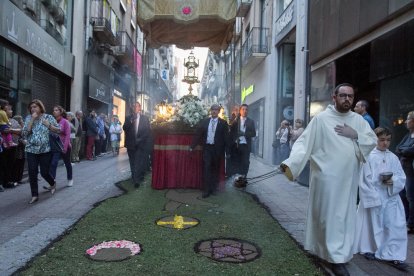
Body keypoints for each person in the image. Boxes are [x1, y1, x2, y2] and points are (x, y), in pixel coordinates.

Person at [280, 83, 377, 275]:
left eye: (350, 96)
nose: (347, 99)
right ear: (334, 97)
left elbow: (372, 141)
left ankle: (338, 257)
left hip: (348, 181)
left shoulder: (358, 121)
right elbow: (304, 143)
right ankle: (323, 252)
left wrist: (355, 134)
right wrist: (291, 163)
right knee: (325, 218)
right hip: (325, 180)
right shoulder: (322, 119)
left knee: (341, 219)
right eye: (343, 95)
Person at [353, 127, 408, 272]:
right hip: (375, 195)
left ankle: (393, 253)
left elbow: (401, 176)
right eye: (381, 140)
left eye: (388, 140)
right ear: (375, 139)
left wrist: (394, 182)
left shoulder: (393, 157)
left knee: (394, 225)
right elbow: (364, 179)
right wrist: (373, 194)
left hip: (391, 197)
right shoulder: (369, 156)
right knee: (373, 225)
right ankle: (369, 248)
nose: (385, 143)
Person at [22, 99, 60, 204]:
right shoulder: (29, 118)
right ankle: (34, 195)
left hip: (45, 150)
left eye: (35, 106)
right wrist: (31, 121)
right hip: (31, 150)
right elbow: (25, 133)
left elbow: (59, 130)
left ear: (40, 107)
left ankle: (52, 183)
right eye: (31, 107)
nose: (33, 108)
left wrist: (49, 125)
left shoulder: (48, 117)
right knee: (32, 173)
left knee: (44, 172)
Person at [190, 104, 229, 198]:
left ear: (219, 111)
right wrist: (192, 146)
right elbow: (198, 134)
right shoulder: (205, 122)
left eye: (216, 110)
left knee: (215, 169)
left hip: (217, 150)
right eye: (213, 110)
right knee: (207, 169)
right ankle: (206, 190)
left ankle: (213, 189)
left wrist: (227, 152)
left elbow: (226, 138)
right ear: (210, 111)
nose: (214, 111)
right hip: (207, 148)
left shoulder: (223, 123)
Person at [123, 102, 151, 187]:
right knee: (132, 162)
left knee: (138, 162)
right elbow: (124, 128)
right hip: (130, 144)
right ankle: (134, 177)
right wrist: (131, 121)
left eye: (137, 106)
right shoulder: (129, 118)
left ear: (140, 108)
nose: (135, 108)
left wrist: (140, 139)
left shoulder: (145, 118)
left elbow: (147, 131)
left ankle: (136, 180)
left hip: (140, 144)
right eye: (134, 106)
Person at [395, 111, 414, 233]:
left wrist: (404, 151)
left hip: (411, 171)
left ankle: (411, 224)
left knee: (411, 197)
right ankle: (406, 220)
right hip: (404, 170)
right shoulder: (408, 135)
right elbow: (398, 147)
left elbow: (410, 151)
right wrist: (405, 150)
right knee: (402, 196)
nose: (406, 122)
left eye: (408, 119)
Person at [48, 106, 73, 188]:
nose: (54, 111)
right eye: (53, 110)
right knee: (53, 164)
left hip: (64, 146)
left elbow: (67, 135)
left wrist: (65, 148)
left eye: (56, 110)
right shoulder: (52, 122)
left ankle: (70, 179)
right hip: (55, 147)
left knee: (67, 163)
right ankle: (52, 183)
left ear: (60, 112)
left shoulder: (65, 122)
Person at [229, 104, 256, 178]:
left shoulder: (251, 121)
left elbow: (253, 133)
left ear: (248, 111)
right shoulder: (235, 120)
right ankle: (236, 178)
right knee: (236, 162)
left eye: (246, 109)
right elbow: (231, 132)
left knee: (245, 162)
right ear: (240, 111)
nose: (245, 111)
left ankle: (243, 177)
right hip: (236, 145)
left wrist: (244, 134)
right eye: (243, 109)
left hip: (245, 146)